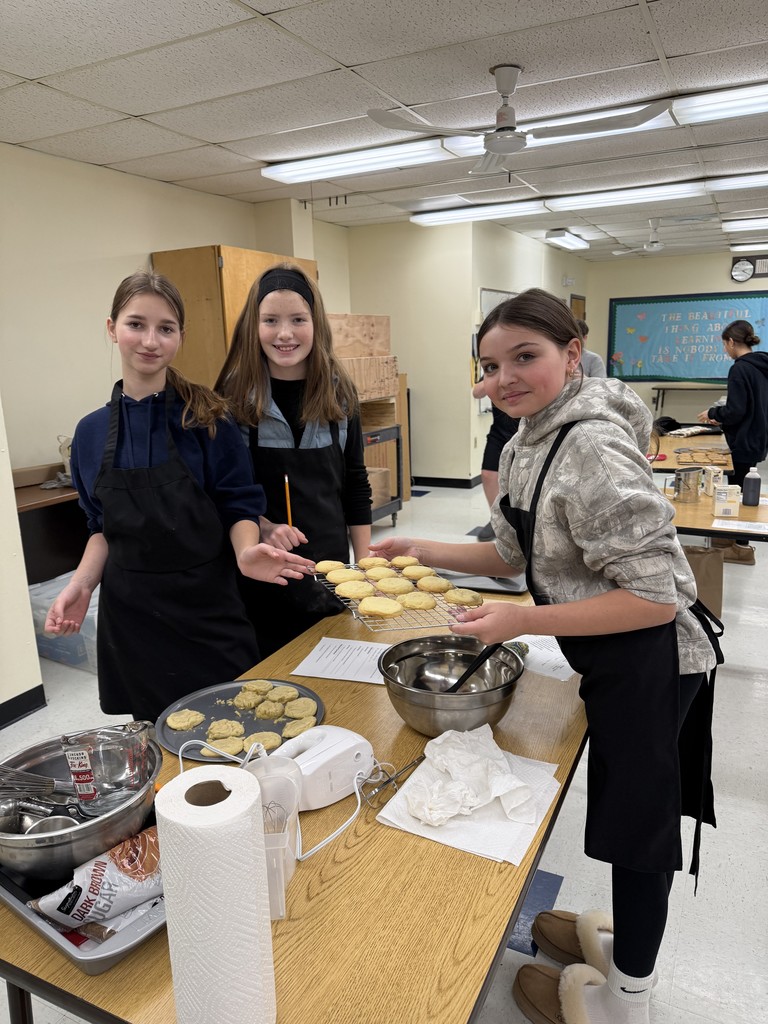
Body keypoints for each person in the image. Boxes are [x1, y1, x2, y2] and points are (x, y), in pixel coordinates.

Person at [370, 288, 722, 1024]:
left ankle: (628, 997)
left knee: (638, 830)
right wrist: (415, 545)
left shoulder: (590, 443)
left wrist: (521, 622)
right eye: (491, 365)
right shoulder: (532, 435)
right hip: (612, 651)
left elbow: (656, 596)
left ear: (571, 353)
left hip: (653, 656)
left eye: (524, 357)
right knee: (629, 815)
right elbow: (513, 551)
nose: (505, 379)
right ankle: (624, 948)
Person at [45, 271, 314, 722]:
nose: (150, 341)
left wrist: (247, 552)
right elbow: (101, 527)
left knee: (240, 725)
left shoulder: (209, 420)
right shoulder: (90, 433)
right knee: (157, 738)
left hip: (207, 608)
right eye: (136, 324)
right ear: (112, 328)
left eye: (165, 329)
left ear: (180, 338)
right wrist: (82, 584)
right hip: (132, 619)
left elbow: (238, 506)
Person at [215, 264, 372, 657]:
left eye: (297, 319)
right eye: (270, 320)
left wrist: (366, 564)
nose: (284, 334)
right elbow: (220, 492)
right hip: (258, 575)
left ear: (316, 323)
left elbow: (355, 482)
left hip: (329, 567)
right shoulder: (233, 398)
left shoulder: (341, 394)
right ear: (254, 325)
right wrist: (263, 526)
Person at [697, 319, 768, 565]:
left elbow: (736, 410)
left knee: (741, 494)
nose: (725, 350)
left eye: (724, 345)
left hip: (744, 439)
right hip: (758, 435)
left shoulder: (740, 368)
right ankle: (731, 537)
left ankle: (741, 547)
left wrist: (713, 414)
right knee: (742, 490)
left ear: (731, 342)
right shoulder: (762, 365)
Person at [472, 376, 519, 541]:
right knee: (488, 474)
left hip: (527, 428)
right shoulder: (495, 368)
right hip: (500, 430)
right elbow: (476, 392)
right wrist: (495, 376)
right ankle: (497, 519)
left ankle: (524, 523)